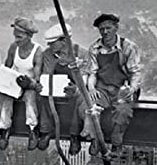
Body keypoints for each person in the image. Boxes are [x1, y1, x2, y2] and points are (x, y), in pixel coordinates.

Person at [82, 13, 142, 157]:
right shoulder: (95, 48)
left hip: (123, 87)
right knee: (92, 107)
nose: (105, 32)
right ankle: (96, 139)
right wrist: (91, 88)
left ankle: (116, 143)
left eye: (108, 28)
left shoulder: (128, 47)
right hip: (103, 88)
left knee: (122, 111)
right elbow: (92, 73)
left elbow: (135, 72)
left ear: (116, 28)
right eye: (101, 29)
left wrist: (132, 88)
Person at [36, 23, 88, 152]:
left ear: (64, 40)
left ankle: (74, 135)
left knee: (80, 98)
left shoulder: (81, 53)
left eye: (52, 43)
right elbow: (47, 74)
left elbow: (84, 79)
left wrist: (75, 88)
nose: (49, 46)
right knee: (42, 95)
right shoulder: (48, 54)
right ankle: (46, 131)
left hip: (74, 89)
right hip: (56, 88)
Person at [0, 17, 42, 151]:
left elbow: (38, 76)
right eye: (15, 37)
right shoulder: (13, 48)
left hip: (29, 84)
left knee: (30, 99)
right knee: (5, 98)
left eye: (20, 37)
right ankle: (5, 129)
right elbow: (8, 66)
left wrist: (30, 83)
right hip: (15, 81)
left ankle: (32, 130)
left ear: (29, 36)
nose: (16, 40)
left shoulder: (37, 51)